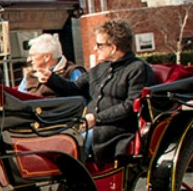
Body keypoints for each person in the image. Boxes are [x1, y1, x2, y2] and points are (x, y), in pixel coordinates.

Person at [39, 19, 154, 164]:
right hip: (89, 125)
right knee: (57, 141)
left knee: (75, 146)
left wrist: (97, 118)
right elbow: (74, 88)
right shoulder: (100, 68)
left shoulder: (138, 69)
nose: (95, 48)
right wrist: (51, 79)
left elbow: (130, 105)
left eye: (99, 45)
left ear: (112, 48)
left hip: (117, 129)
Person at [19, 33, 85, 97]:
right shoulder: (29, 76)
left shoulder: (72, 72)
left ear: (47, 57)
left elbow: (80, 100)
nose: (28, 60)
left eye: (32, 55)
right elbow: (19, 99)